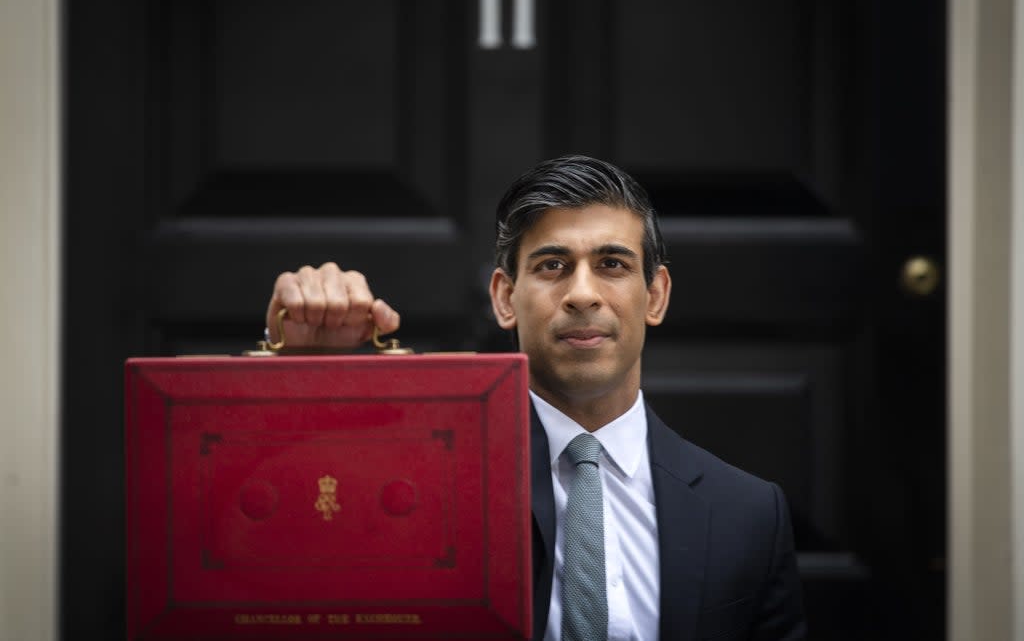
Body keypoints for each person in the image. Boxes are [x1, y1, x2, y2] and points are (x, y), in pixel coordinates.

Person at [266, 155, 806, 640]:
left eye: (612, 264)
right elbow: (278, 566)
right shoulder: (415, 484)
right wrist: (308, 379)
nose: (581, 294)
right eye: (553, 266)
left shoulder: (750, 515)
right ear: (504, 298)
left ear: (656, 295)